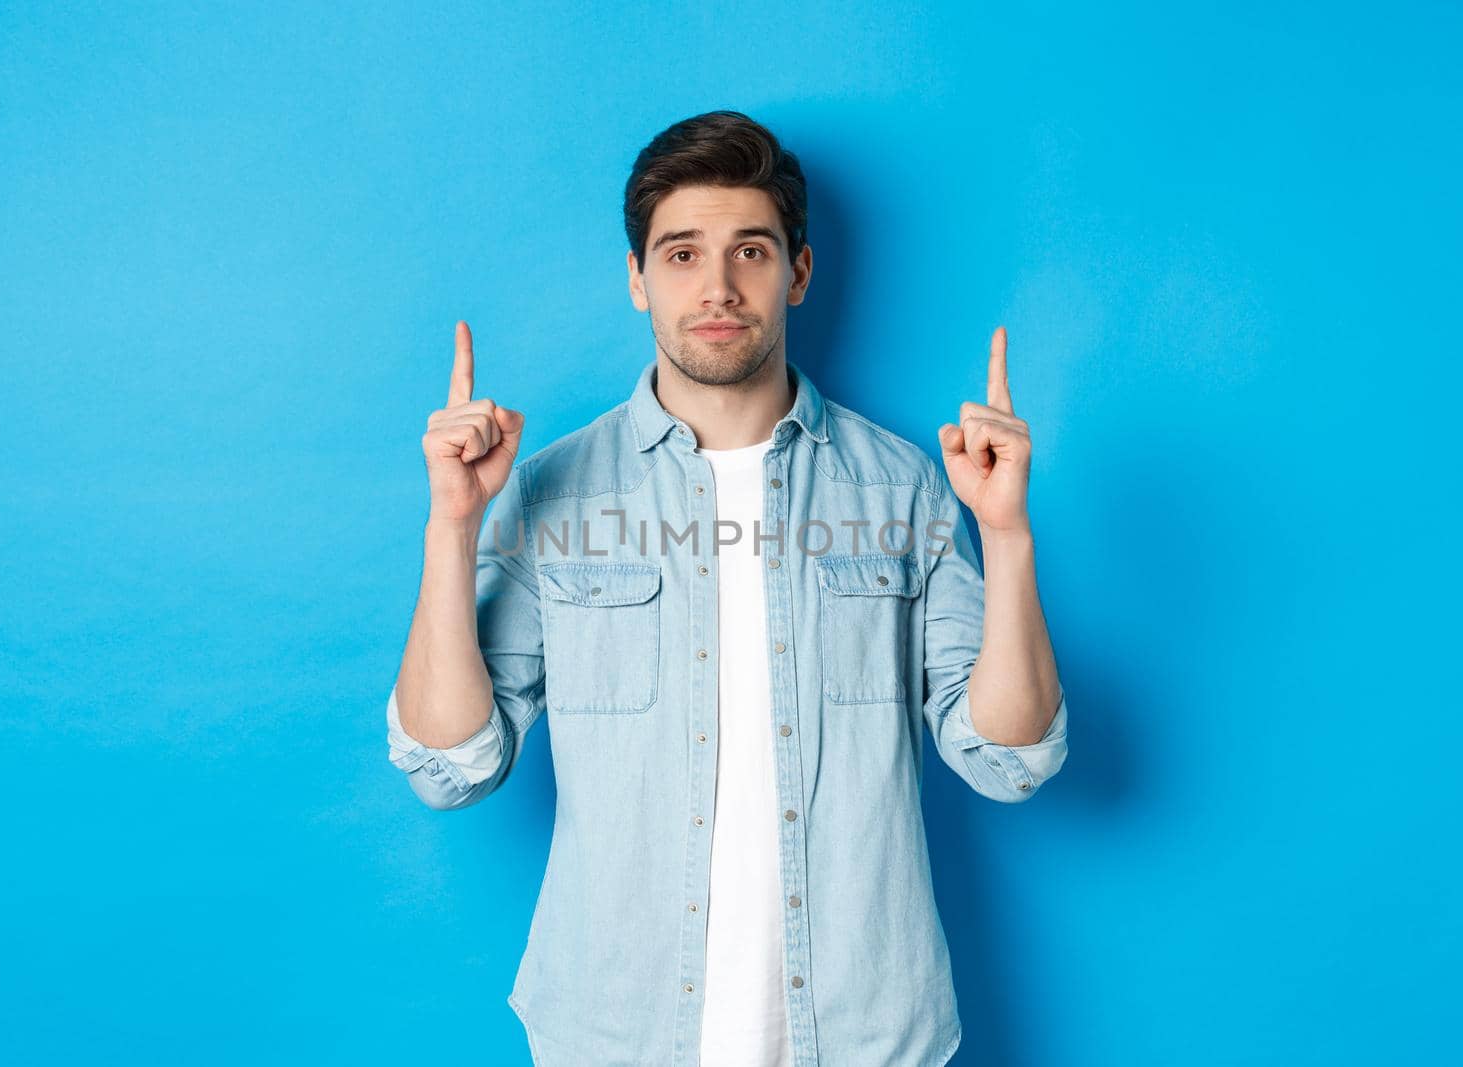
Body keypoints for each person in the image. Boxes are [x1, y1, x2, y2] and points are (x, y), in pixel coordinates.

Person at [385, 110, 1069, 1067]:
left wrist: (1007, 536)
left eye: (750, 249)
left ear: (796, 272)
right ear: (637, 279)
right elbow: (448, 763)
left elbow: (1009, 759)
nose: (715, 286)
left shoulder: (905, 486)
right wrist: (452, 528)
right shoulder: (550, 490)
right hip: (614, 1033)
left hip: (865, 1033)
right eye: (680, 254)